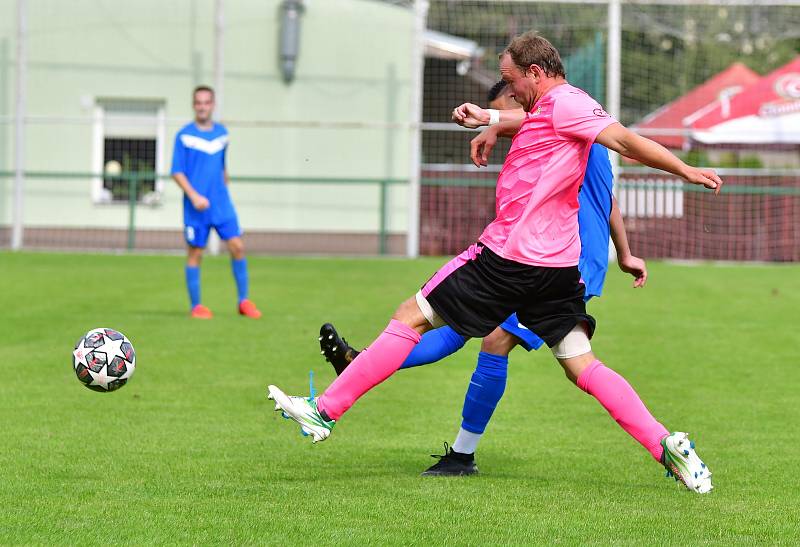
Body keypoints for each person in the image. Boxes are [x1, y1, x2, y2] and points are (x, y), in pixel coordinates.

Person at [269, 32, 721, 493]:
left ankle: (324, 410)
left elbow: (625, 141)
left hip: (508, 258)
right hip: (557, 270)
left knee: (413, 317)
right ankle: (665, 444)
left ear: (536, 74)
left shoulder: (569, 104)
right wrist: (487, 117)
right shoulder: (549, 108)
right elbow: (528, 116)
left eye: (511, 81)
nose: (511, 90)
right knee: (580, 363)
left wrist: (684, 171)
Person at [317, 80, 645, 476]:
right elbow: (606, 197)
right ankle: (361, 365)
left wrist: (490, 124)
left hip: (565, 265)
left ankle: (461, 454)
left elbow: (597, 190)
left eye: (503, 109)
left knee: (496, 340)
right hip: (538, 259)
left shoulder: (567, 124)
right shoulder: (567, 132)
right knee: (458, 326)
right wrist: (625, 253)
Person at [171, 85, 261, 319]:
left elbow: (222, 167)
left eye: (206, 102)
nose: (202, 107)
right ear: (194, 105)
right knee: (196, 254)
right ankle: (196, 307)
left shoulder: (222, 134)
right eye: (198, 102)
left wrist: (224, 189)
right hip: (196, 207)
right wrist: (194, 196)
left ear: (212, 105)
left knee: (238, 247)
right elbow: (177, 172)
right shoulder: (184, 136)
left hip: (221, 205)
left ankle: (244, 302)